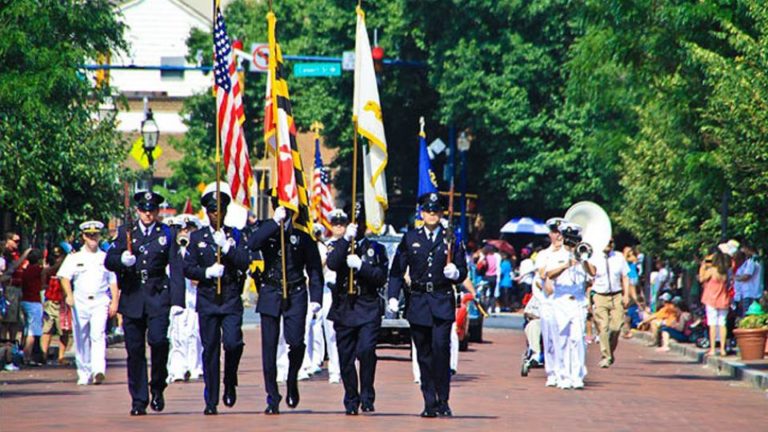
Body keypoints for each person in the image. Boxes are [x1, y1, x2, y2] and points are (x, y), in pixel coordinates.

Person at [387, 192, 468, 417]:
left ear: (441, 214)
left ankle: (443, 399)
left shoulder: (451, 238)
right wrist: (393, 297)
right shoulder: (410, 238)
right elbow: (396, 272)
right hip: (419, 302)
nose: (432, 215)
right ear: (422, 213)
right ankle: (429, 401)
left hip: (441, 301)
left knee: (441, 350)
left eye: (436, 211)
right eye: (428, 211)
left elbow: (463, 270)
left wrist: (456, 272)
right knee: (423, 354)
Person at [105, 190, 185, 416]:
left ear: (157, 212)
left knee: (159, 342)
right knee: (135, 350)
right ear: (138, 211)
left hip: (158, 295)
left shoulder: (167, 233)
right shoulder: (125, 232)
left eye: (152, 211)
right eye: (144, 210)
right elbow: (108, 260)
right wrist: (121, 260)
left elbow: (176, 267)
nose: (148, 214)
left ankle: (158, 386)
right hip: (132, 296)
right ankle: (139, 400)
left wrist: (178, 301)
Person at [248, 196, 323, 415]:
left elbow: (314, 268)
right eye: (280, 206)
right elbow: (252, 244)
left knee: (296, 343)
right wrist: (274, 223)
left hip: (296, 292)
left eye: (288, 208)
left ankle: (291, 379)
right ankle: (272, 396)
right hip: (271, 291)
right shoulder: (266, 228)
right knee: (269, 348)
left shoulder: (302, 234)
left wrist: (316, 298)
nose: (285, 211)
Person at [183, 184, 251, 415]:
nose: (216, 215)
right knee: (210, 349)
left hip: (230, 298)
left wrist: (227, 248)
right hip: (208, 298)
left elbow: (245, 262)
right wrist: (206, 273)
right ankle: (210, 399)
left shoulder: (236, 234)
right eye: (212, 211)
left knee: (233, 343)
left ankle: (230, 379)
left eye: (220, 211)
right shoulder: (197, 237)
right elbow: (188, 268)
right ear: (207, 212)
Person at [326, 202, 388, 415]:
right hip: (345, 306)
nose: (357, 225)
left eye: (360, 221)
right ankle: (351, 397)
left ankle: (367, 394)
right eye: (353, 221)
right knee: (345, 357)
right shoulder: (338, 245)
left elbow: (381, 278)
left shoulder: (376, 248)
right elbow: (333, 264)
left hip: (368, 305)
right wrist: (345, 240)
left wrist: (362, 267)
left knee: (366, 350)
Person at [58, 221, 119, 385]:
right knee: (81, 336)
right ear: (84, 236)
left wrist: (114, 302)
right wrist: (69, 295)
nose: (93, 238)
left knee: (98, 335)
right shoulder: (74, 257)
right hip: (80, 301)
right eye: (89, 235)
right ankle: (83, 372)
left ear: (100, 236)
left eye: (95, 235)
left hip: (100, 300)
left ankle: (98, 370)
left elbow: (113, 282)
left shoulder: (105, 258)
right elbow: (64, 277)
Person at [544, 222, 595, 390]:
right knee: (563, 339)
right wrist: (566, 265)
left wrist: (583, 260)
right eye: (570, 239)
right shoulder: (555, 254)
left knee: (578, 339)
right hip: (561, 299)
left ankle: (577, 376)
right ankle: (563, 375)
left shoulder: (583, 253)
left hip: (578, 300)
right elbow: (549, 274)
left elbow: (593, 273)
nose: (572, 243)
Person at [299, 210, 344, 384]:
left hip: (340, 291)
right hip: (325, 291)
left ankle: (338, 367)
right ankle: (320, 366)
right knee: (321, 330)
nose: (338, 227)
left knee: (337, 332)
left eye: (341, 224)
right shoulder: (328, 246)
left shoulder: (349, 243)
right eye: (335, 224)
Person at [167, 215, 204, 383]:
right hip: (177, 297)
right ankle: (177, 369)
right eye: (181, 230)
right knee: (176, 334)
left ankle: (195, 366)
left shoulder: (196, 250)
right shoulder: (171, 251)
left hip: (194, 296)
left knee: (194, 333)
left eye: (188, 230)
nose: (184, 233)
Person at [588, 238, 632, 368]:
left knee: (616, 327)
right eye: (606, 241)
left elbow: (625, 276)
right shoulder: (594, 257)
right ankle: (605, 356)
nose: (609, 244)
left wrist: (626, 294)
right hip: (600, 294)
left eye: (611, 242)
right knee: (603, 326)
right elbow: (590, 274)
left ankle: (610, 352)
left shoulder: (618, 257)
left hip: (616, 295)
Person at [535, 217, 566, 387]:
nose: (558, 236)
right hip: (548, 300)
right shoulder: (544, 254)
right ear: (550, 234)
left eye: (561, 233)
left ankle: (564, 371)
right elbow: (541, 273)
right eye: (555, 232)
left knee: (565, 337)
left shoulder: (569, 253)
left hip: (564, 299)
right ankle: (552, 371)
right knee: (549, 338)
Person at [40, 246, 71, 365]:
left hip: (63, 303)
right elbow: (44, 281)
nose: (57, 258)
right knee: (47, 330)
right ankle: (43, 354)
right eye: (55, 256)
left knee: (64, 331)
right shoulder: (48, 270)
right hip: (50, 302)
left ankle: (61, 356)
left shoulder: (68, 268)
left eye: (59, 256)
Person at [699, 250, 730, 356]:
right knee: (722, 323)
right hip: (723, 299)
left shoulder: (712, 270)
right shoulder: (725, 272)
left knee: (712, 324)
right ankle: (722, 349)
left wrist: (703, 266)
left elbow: (701, 278)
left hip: (711, 299)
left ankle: (712, 348)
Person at [20, 248, 44, 365]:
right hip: (34, 302)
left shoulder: (26, 270)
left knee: (26, 329)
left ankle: (23, 353)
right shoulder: (38, 270)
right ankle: (27, 357)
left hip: (25, 300)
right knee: (32, 332)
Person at [734, 243, 762, 318]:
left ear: (747, 249)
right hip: (751, 292)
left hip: (751, 293)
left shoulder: (752, 260)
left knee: (748, 316)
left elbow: (747, 276)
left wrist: (735, 278)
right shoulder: (754, 260)